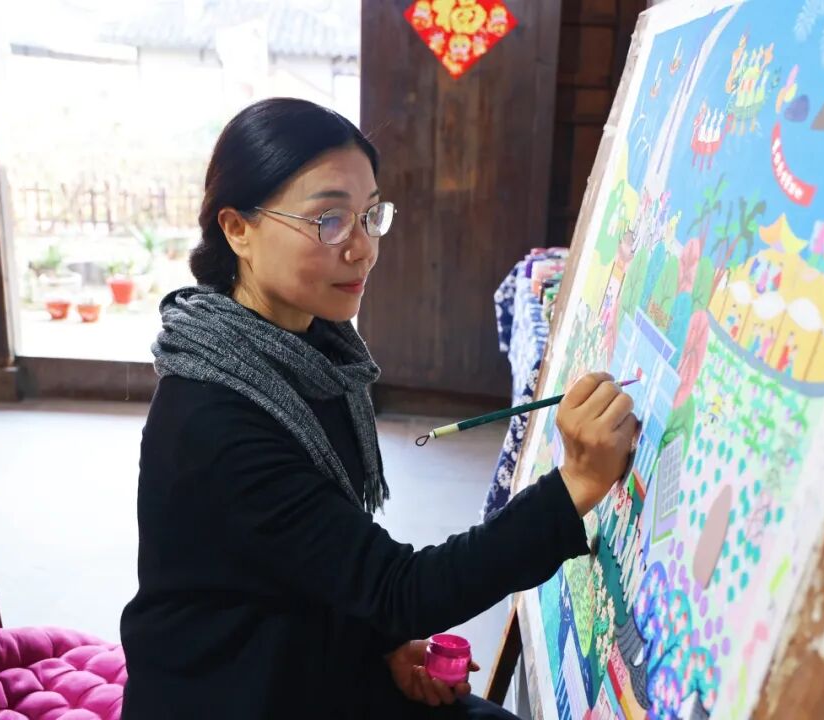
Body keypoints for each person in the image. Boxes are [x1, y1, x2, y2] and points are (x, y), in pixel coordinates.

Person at [119, 98, 639, 719]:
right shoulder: (216, 416)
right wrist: (576, 483)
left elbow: (312, 559)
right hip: (234, 694)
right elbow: (400, 589)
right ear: (237, 229)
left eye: (370, 215)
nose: (363, 248)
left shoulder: (311, 354)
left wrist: (380, 642)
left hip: (300, 653)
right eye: (329, 219)